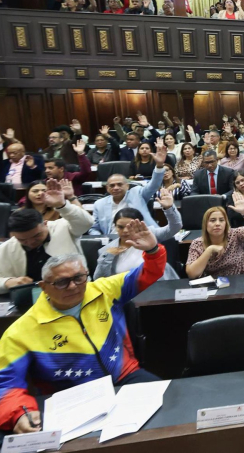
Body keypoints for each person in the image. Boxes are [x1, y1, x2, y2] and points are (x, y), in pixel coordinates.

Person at [0, 220, 166, 434]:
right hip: (70, 396)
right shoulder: (20, 331)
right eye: (62, 282)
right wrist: (19, 412)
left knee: (168, 416)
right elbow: (6, 384)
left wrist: (152, 250)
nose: (73, 287)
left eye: (79, 278)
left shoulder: (104, 289)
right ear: (44, 287)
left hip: (126, 376)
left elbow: (149, 272)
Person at [0, 179, 93, 294]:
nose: (30, 242)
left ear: (45, 223)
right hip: (32, 297)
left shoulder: (63, 227)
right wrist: (7, 282)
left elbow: (86, 223)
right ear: (12, 235)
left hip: (75, 290)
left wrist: (62, 205)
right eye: (22, 240)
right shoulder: (7, 247)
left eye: (36, 236)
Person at [95, 189, 181, 281]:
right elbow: (99, 280)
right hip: (126, 288)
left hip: (157, 285)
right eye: (120, 227)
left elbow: (175, 227)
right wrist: (107, 257)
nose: (125, 231)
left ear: (140, 224)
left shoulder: (150, 235)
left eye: (130, 226)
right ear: (115, 226)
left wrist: (169, 209)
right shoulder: (107, 250)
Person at [89, 146, 166, 235]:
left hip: (140, 237)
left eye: (119, 184)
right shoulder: (99, 204)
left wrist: (159, 165)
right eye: (112, 185)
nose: (116, 188)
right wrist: (102, 238)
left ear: (127, 186)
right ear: (107, 188)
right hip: (112, 239)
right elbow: (93, 228)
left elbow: (154, 185)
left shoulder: (137, 194)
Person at [185, 193, 244, 278]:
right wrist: (209, 250)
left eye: (221, 220)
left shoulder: (234, 234)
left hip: (240, 278)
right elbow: (192, 274)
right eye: (212, 220)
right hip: (215, 282)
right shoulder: (197, 243)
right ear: (205, 224)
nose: (217, 224)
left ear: (226, 223)